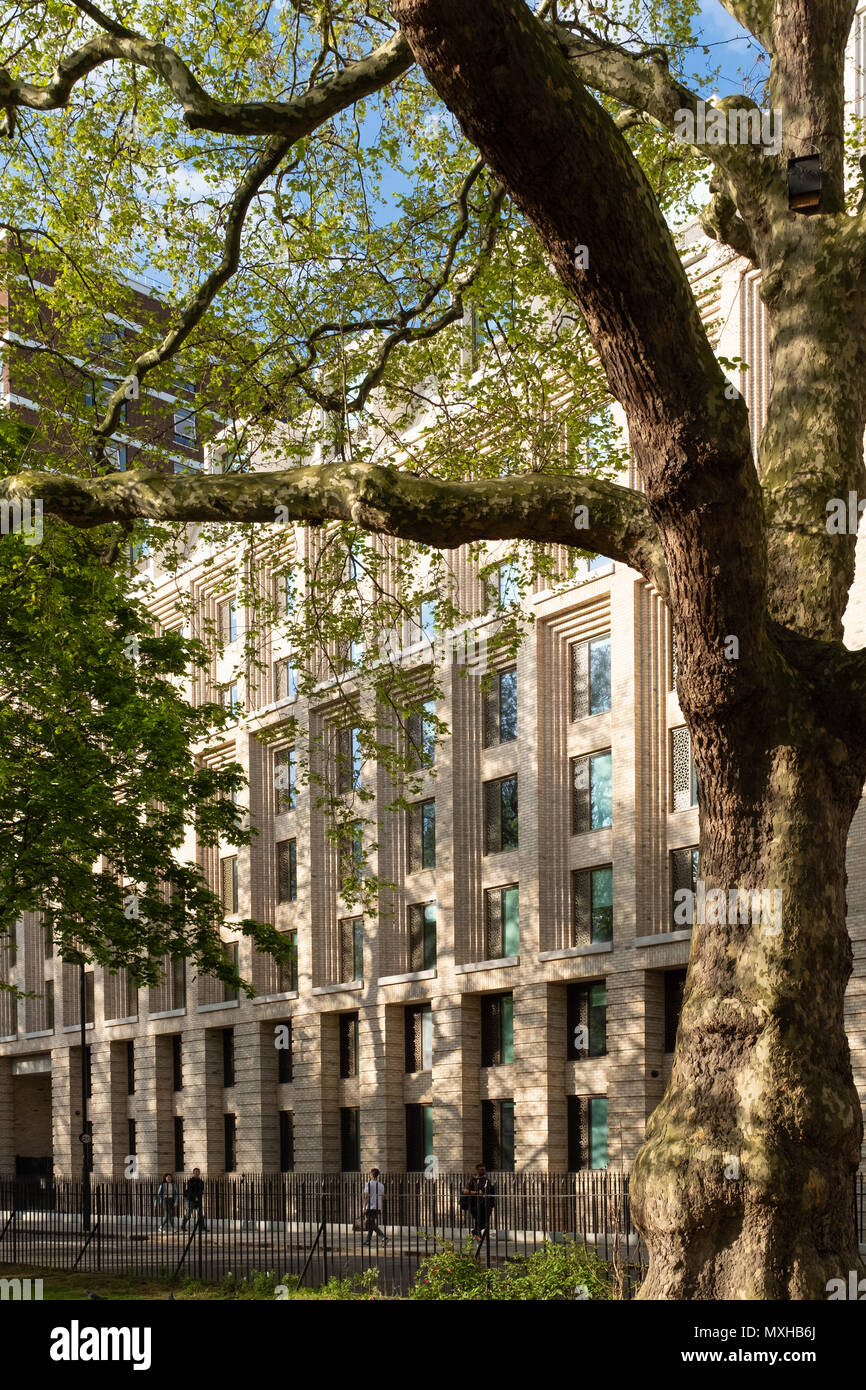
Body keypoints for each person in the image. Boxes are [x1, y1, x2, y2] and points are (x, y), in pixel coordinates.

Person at [464, 1163, 497, 1245]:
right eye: (482, 1169)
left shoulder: (486, 1180)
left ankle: (475, 1233)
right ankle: (478, 1236)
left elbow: (490, 1192)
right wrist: (476, 1192)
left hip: (485, 1204)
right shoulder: (473, 1180)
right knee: (479, 1220)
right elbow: (465, 1191)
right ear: (477, 1170)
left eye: (484, 1169)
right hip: (474, 1204)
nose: (484, 1171)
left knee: (484, 1222)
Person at [362, 1167, 387, 1247]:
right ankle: (367, 1241)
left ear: (372, 1175)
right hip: (378, 1207)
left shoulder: (368, 1184)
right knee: (371, 1224)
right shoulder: (381, 1185)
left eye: (370, 1174)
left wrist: (363, 1207)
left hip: (370, 1206)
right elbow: (383, 1197)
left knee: (371, 1224)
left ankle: (383, 1237)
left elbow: (366, 1196)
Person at [181, 1168, 206, 1232]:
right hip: (190, 1199)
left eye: (198, 1172)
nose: (197, 1173)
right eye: (196, 1172)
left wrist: (198, 1197)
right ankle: (183, 1225)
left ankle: (202, 1226)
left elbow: (201, 1190)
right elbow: (190, 1190)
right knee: (189, 1213)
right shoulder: (190, 1181)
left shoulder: (201, 1181)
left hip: (198, 1199)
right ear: (193, 1173)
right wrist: (195, 1197)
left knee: (200, 1213)